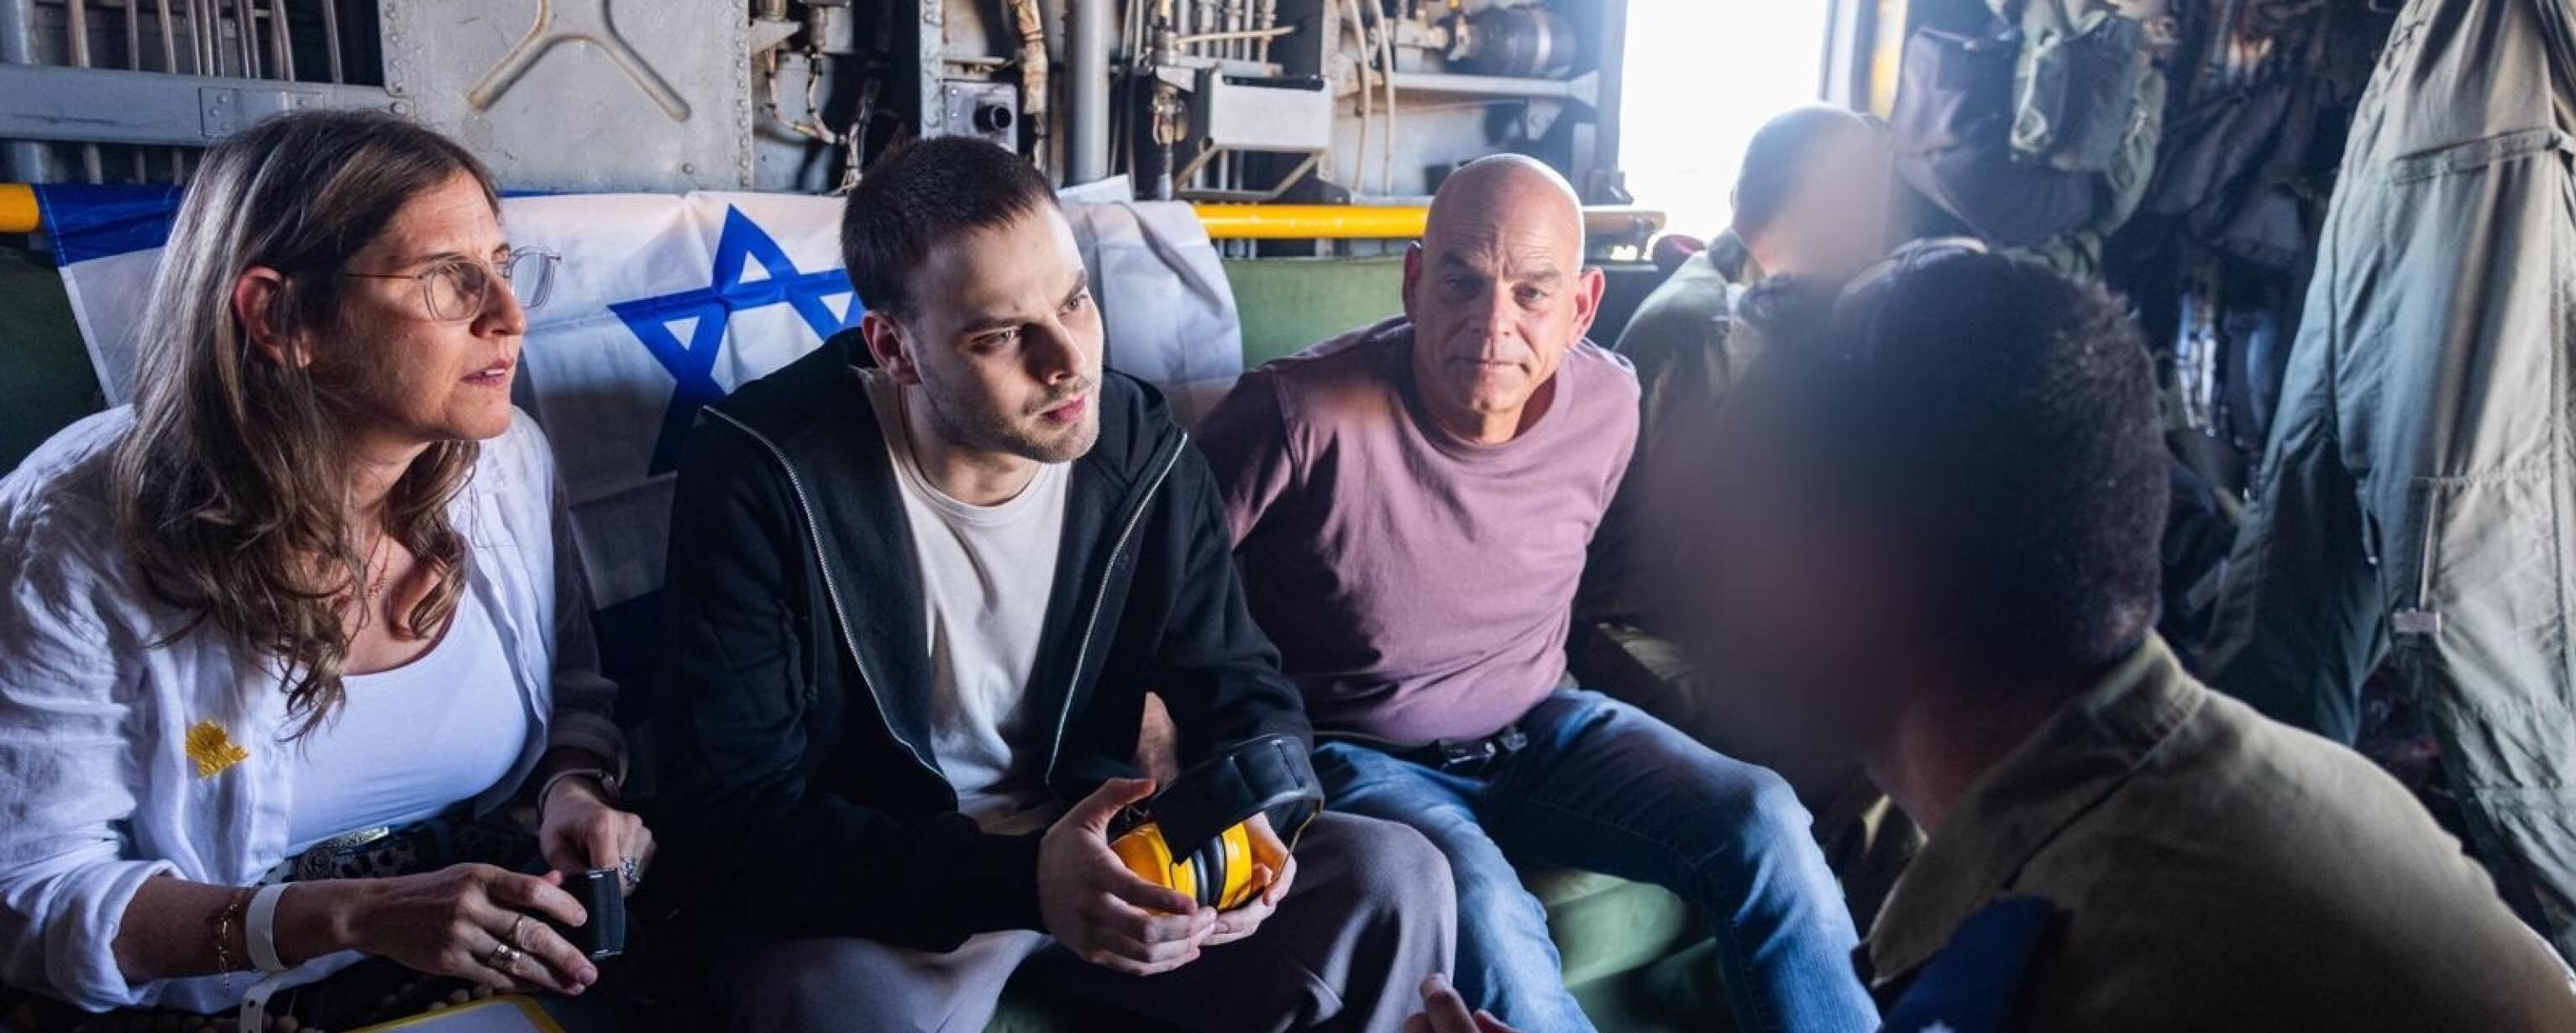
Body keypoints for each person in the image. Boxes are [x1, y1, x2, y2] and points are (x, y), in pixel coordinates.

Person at [1616, 244, 2565, 1030]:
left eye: (1736, 513)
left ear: (1862, 569)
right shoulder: (2288, 783)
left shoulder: (2085, 968)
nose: (1697, 560)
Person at [650, 136, 1453, 1033]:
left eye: (1073, 300)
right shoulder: (762, 470)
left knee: (1395, 876)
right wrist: (1025, 880)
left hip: (1122, 852)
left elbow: (1236, 681)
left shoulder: (1140, 447)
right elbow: (736, 818)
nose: (1068, 360)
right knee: (828, 1007)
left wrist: (1259, 805)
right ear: (895, 348)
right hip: (894, 892)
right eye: (1000, 336)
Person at [0, 111, 649, 1031]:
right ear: (280, 317)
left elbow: (571, 696)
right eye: (445, 279)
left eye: (502, 267)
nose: (509, 316)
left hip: (466, 996)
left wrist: (573, 788)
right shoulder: (71, 531)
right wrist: (351, 916)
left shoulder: (504, 466)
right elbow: (32, 897)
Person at [1198, 155, 1878, 1033]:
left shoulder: (1610, 399)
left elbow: (1595, 569)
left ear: (1582, 306)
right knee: (1484, 904)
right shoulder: (1297, 411)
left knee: (1764, 817)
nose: (1493, 324)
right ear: (1414, 282)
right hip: (1358, 753)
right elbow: (1152, 574)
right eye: (1463, 282)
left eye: (1531, 293)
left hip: (1545, 726)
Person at [1572, 106, 1911, 928]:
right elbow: (1684, 564)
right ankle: (1890, 982)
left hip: (1705, 620)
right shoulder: (1713, 326)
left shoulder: (1768, 305)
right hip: (1640, 638)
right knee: (1881, 764)